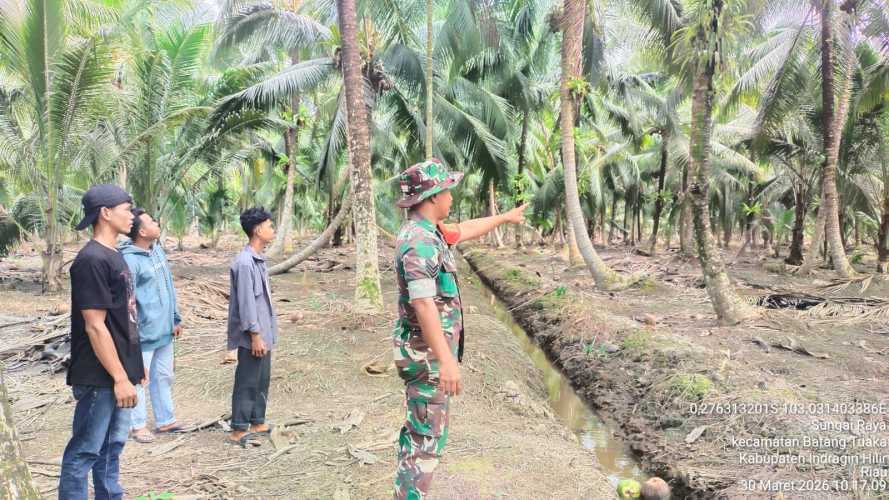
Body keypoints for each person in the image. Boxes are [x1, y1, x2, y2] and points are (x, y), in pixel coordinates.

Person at [392, 159, 527, 499]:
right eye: (448, 190)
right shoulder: (418, 242)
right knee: (424, 444)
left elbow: (464, 229)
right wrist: (446, 361)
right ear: (433, 196)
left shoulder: (431, 233)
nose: (452, 196)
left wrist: (505, 216)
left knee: (424, 437)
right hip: (427, 359)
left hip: (428, 356)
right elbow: (423, 304)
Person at [59, 185, 146, 500]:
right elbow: (95, 326)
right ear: (105, 213)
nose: (132, 215)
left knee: (111, 449)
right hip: (100, 376)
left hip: (121, 372)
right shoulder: (91, 260)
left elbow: (124, 318)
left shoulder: (114, 255)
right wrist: (120, 377)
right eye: (126, 208)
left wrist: (134, 369)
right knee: (84, 452)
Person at [119, 208, 184, 443]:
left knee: (164, 376)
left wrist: (175, 318)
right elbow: (128, 302)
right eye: (151, 221)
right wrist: (132, 335)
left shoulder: (156, 251)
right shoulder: (129, 259)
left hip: (165, 330)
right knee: (139, 380)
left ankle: (165, 420)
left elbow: (169, 286)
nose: (157, 223)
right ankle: (137, 426)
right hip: (144, 334)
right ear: (142, 231)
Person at [226, 207, 278, 447]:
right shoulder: (245, 263)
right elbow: (247, 304)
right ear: (258, 230)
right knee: (247, 379)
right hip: (253, 335)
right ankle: (238, 428)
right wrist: (255, 336)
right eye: (269, 225)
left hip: (264, 332)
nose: (273, 229)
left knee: (262, 378)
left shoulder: (258, 260)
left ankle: (257, 420)